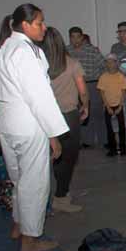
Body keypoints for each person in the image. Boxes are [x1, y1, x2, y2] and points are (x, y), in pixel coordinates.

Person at [0, 4, 68, 251]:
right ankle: (31, 239)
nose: (44, 27)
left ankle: (18, 225)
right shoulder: (26, 50)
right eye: (39, 23)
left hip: (5, 119)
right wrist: (53, 134)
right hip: (28, 121)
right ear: (25, 24)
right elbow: (39, 96)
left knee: (19, 179)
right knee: (34, 182)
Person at [41, 27, 88, 213]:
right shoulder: (72, 63)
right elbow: (83, 90)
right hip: (68, 115)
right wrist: (86, 106)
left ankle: (49, 197)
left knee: (49, 157)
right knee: (68, 157)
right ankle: (61, 196)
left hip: (44, 116)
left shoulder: (38, 65)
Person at [66, 26, 105, 149]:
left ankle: (103, 140)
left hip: (92, 83)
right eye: (73, 37)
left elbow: (103, 65)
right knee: (80, 114)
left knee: (96, 113)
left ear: (82, 37)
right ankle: (86, 141)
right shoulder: (66, 51)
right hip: (73, 86)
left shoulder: (92, 50)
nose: (76, 40)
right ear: (70, 38)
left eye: (78, 37)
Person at [98, 53, 126, 156]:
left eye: (112, 62)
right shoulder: (103, 77)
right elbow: (102, 92)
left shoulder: (121, 77)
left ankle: (123, 147)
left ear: (116, 64)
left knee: (121, 128)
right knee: (109, 128)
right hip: (108, 106)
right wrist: (107, 106)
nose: (110, 64)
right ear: (106, 64)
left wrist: (120, 106)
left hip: (119, 105)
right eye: (108, 62)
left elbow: (124, 92)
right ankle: (112, 149)